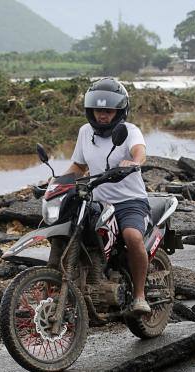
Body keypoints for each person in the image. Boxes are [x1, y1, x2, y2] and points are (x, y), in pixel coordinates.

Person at [65, 77, 151, 314]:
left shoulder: (130, 131)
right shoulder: (85, 132)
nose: (102, 115)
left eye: (108, 110)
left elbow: (140, 152)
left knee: (132, 237)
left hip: (129, 201)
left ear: (119, 110)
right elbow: (78, 167)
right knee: (72, 232)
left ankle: (140, 296)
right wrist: (56, 182)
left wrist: (133, 162)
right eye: (97, 110)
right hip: (96, 201)